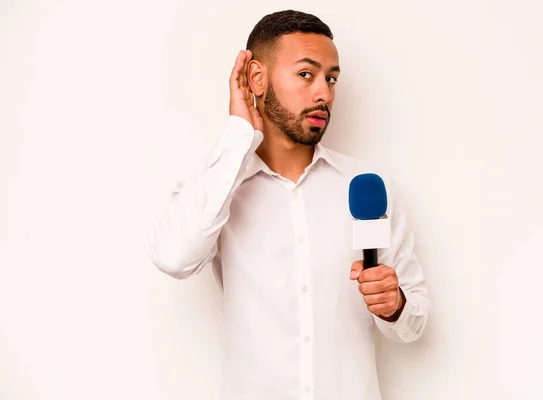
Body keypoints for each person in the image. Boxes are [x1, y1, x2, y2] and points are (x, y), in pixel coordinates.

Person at [146, 9, 431, 400]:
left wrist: (394, 304)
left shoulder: (366, 187)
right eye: (306, 74)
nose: (324, 93)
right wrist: (238, 136)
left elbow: (414, 322)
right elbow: (173, 257)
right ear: (257, 79)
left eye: (331, 78)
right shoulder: (220, 185)